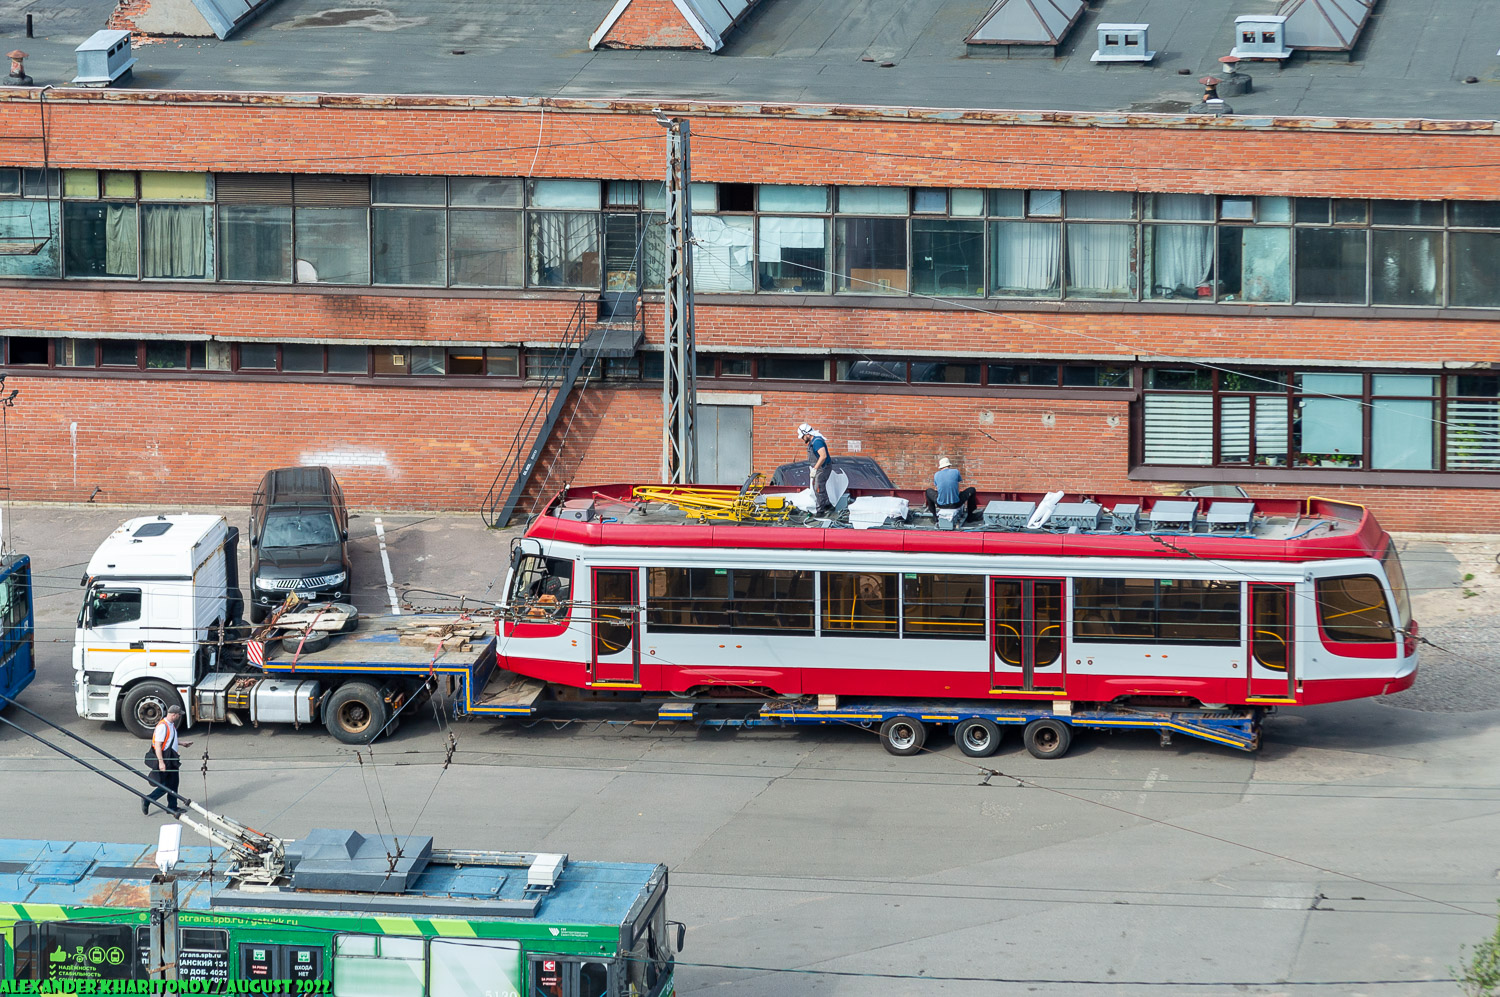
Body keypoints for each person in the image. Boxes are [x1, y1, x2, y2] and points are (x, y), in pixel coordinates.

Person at [142, 705, 192, 816]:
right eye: (179, 715)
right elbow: (158, 746)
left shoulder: (170, 725)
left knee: (174, 783)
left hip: (171, 758)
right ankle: (148, 799)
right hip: (166, 758)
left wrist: (182, 743)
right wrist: (161, 762)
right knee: (167, 785)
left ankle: (172, 807)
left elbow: (169, 740)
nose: (179, 716)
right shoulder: (162, 727)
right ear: (174, 715)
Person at [797, 423, 832, 513]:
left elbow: (823, 456)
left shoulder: (817, 442)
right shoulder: (812, 442)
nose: (802, 439)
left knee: (818, 487)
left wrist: (815, 469)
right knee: (818, 486)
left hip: (823, 468)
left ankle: (820, 510)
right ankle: (828, 505)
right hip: (819, 468)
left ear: (807, 434)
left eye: (803, 437)